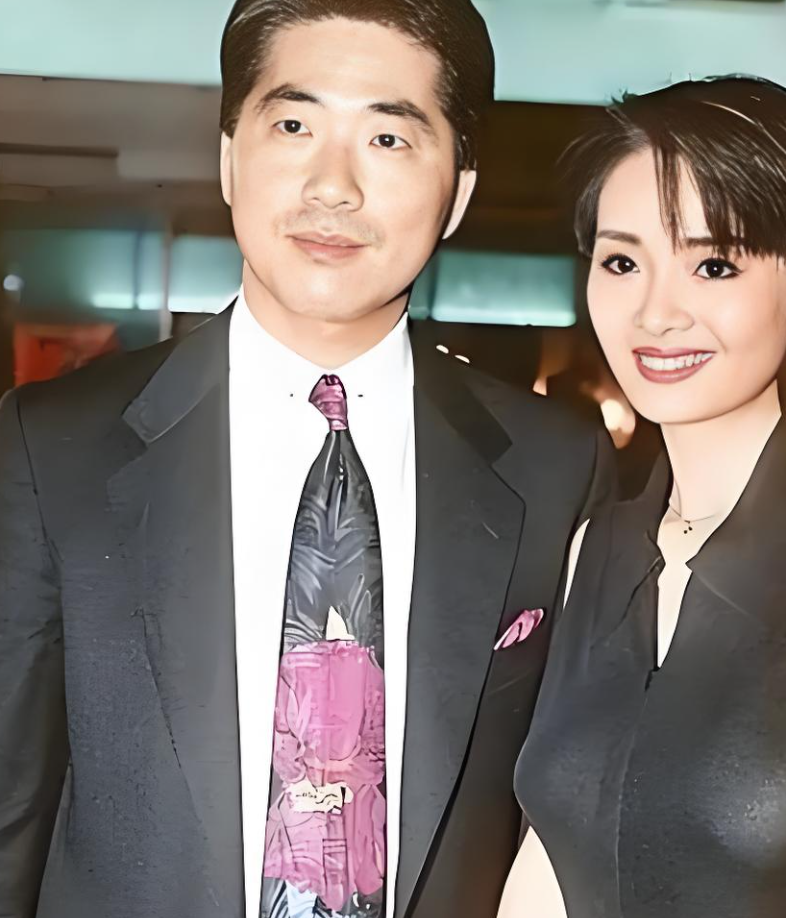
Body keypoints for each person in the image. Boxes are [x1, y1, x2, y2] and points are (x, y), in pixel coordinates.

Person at [0, 3, 614, 916]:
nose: (333, 186)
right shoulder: (53, 447)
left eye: (388, 139)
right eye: (293, 126)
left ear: (458, 192)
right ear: (229, 158)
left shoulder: (555, 466)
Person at [500, 76, 786, 918]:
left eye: (712, 265)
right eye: (621, 262)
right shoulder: (595, 548)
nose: (655, 312)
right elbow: (550, 861)